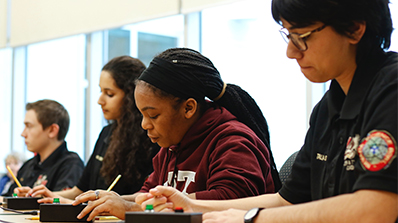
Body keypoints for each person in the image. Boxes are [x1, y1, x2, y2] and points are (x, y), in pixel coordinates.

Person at [134, 0, 398, 222]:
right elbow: (285, 201)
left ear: (354, 29)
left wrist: (252, 218)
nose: (291, 51)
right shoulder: (328, 109)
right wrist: (190, 205)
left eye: (302, 37)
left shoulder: (391, 90)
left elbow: (377, 208)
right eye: (288, 36)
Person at [72, 48, 281, 221]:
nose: (145, 125)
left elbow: (227, 205)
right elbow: (147, 195)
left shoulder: (233, 142)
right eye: (142, 115)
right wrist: (111, 199)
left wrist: (130, 209)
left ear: (188, 108)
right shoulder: (171, 145)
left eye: (153, 115)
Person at [24, 56, 159, 203]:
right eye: (100, 91)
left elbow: (145, 197)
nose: (100, 100)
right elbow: (81, 190)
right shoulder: (106, 134)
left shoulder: (150, 138)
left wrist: (103, 202)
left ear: (131, 95)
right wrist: (46, 194)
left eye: (109, 94)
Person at [6, 99, 84, 196]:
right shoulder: (28, 166)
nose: (23, 134)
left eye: (29, 126)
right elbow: (7, 200)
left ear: (52, 130)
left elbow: (61, 206)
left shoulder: (71, 165)